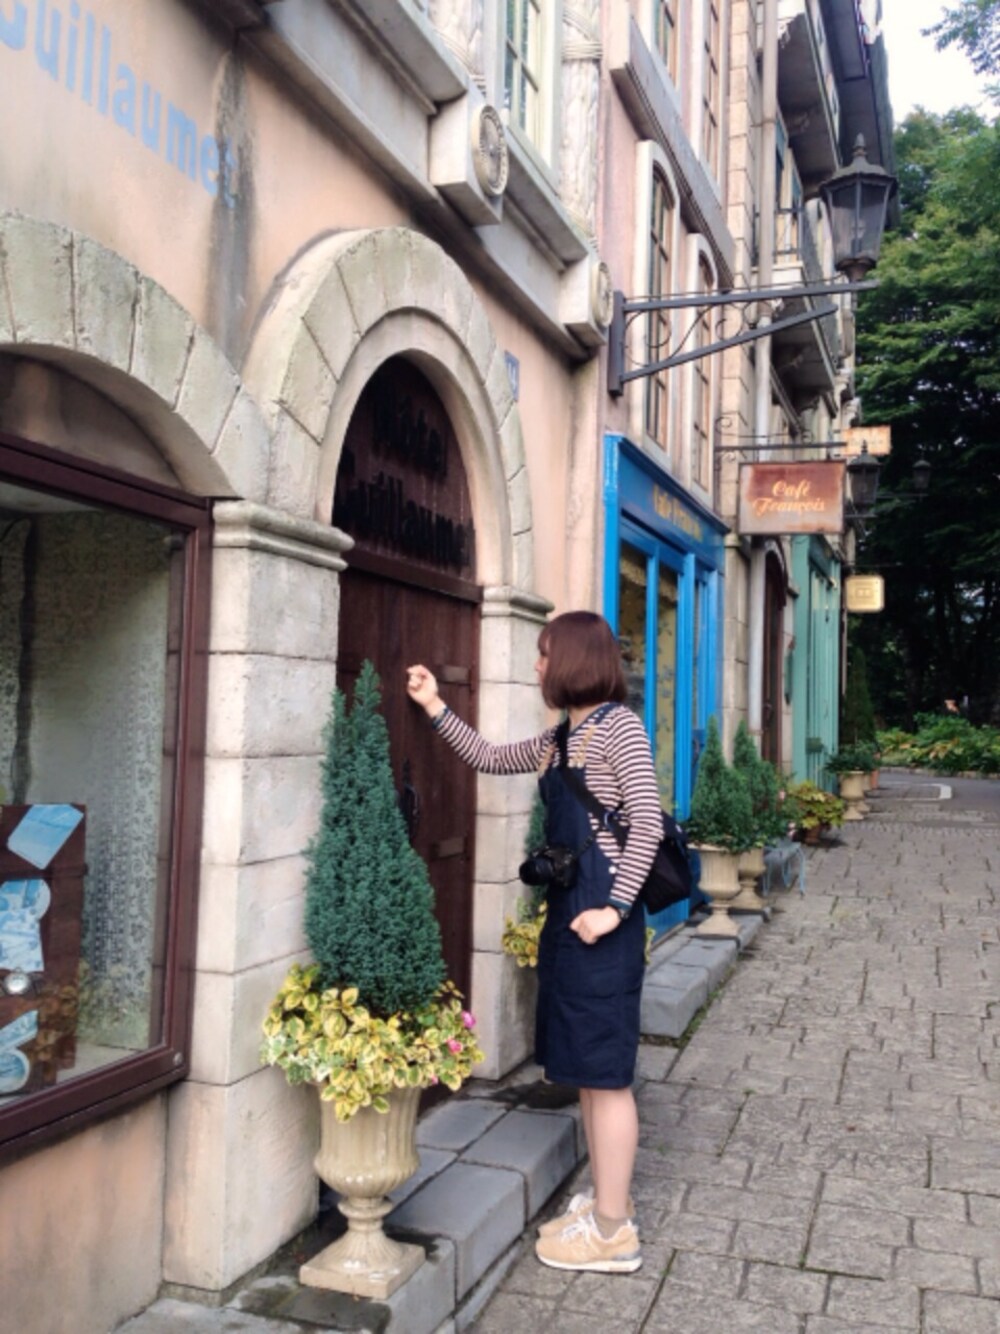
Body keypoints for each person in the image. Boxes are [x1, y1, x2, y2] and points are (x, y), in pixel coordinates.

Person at [406, 610, 663, 1274]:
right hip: (570, 916)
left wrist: (614, 909)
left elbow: (646, 823)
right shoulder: (562, 738)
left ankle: (614, 1233)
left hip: (599, 920)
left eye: (545, 654)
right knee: (587, 1074)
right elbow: (491, 757)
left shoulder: (620, 728)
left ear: (574, 659)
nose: (537, 665)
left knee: (607, 1077)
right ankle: (606, 1205)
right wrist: (434, 705)